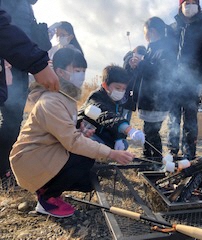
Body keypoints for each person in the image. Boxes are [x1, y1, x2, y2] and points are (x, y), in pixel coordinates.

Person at [9, 48, 134, 218]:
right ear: (60, 72)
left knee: (87, 181)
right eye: (77, 71)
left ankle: (49, 187)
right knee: (83, 158)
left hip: (42, 153)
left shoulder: (64, 97)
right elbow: (73, 142)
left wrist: (78, 130)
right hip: (29, 159)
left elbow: (64, 132)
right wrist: (111, 153)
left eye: (83, 71)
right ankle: (46, 198)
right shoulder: (52, 100)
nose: (81, 75)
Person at [0, 7, 59, 189]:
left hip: (19, 66)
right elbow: (4, 28)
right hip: (11, 64)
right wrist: (37, 64)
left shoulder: (27, 6)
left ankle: (4, 169)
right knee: (10, 121)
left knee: (13, 120)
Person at [167, 0, 202, 160]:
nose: (189, 5)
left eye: (193, 2)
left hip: (193, 83)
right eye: (186, 2)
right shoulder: (172, 28)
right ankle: (172, 152)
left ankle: (189, 153)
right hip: (173, 82)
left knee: (190, 120)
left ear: (198, 5)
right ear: (180, 6)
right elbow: (165, 55)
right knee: (173, 119)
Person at [131, 17, 176, 160]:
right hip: (149, 99)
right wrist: (135, 65)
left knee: (152, 133)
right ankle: (147, 158)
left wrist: (142, 64)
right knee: (148, 131)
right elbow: (145, 73)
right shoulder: (152, 49)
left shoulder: (165, 50)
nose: (144, 36)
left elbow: (161, 72)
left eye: (145, 32)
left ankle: (156, 160)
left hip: (157, 100)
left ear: (152, 31)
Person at [78, 64, 145, 151]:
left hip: (103, 133)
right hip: (89, 133)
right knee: (96, 143)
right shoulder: (96, 97)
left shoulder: (117, 100)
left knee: (124, 143)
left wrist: (119, 138)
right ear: (105, 85)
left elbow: (115, 121)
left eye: (123, 89)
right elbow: (106, 115)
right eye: (117, 88)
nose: (121, 91)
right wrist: (129, 130)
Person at [122, 45, 147, 123]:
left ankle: (124, 133)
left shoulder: (141, 61)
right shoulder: (129, 57)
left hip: (133, 92)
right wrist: (131, 62)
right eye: (138, 54)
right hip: (125, 91)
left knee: (128, 115)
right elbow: (126, 64)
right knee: (121, 115)